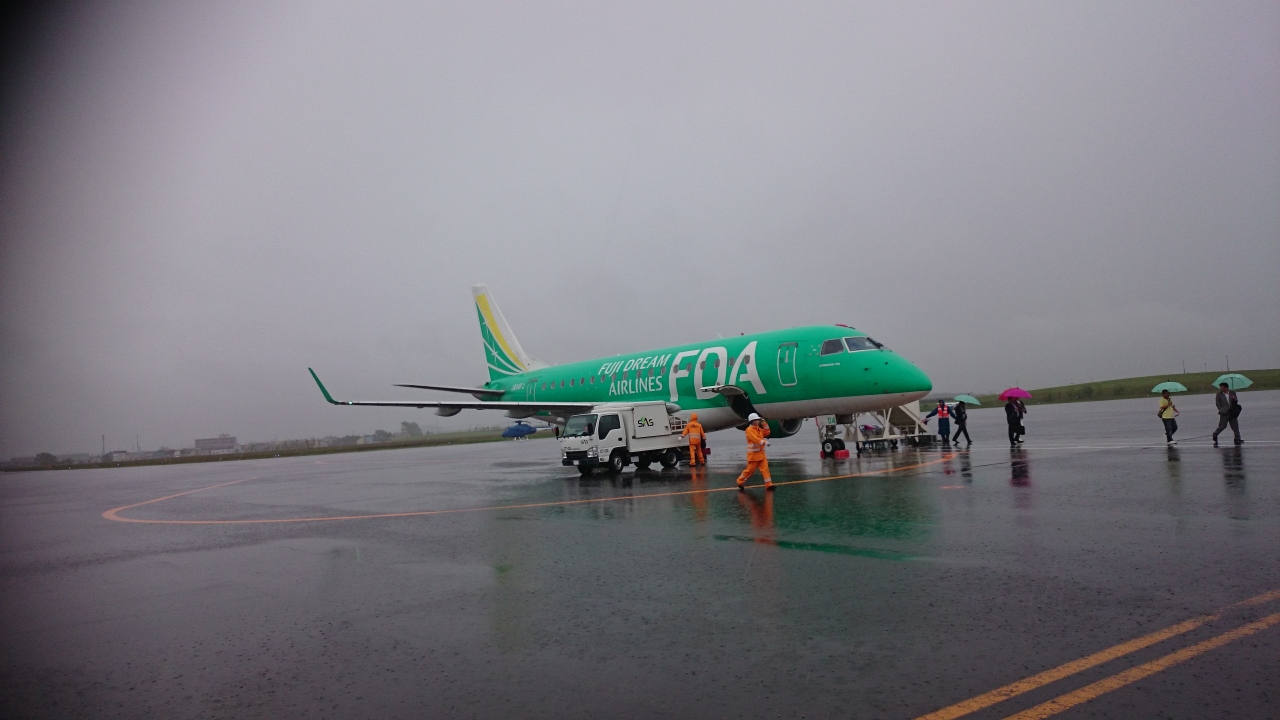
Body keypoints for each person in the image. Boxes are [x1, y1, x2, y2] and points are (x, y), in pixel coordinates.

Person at [735, 412, 773, 490]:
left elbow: (767, 432)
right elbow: (755, 439)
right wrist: (764, 442)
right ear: (753, 421)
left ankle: (769, 485)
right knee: (749, 471)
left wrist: (764, 423)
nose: (759, 421)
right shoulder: (749, 430)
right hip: (753, 455)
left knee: (765, 470)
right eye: (758, 420)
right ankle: (740, 481)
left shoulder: (759, 429)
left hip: (761, 454)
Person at [1212, 382, 1243, 447]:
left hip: (1232, 412)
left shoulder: (1232, 393)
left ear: (1225, 387)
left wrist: (1235, 399)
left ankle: (1237, 438)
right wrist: (1221, 410)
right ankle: (1215, 434)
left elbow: (1236, 401)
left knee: (1235, 426)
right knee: (1222, 426)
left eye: (1222, 387)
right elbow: (1218, 403)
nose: (1221, 388)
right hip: (1224, 413)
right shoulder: (1219, 394)